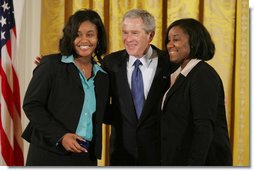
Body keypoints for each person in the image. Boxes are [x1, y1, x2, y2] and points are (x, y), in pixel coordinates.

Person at [22, 9, 109, 166]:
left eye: (90, 34)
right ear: (70, 37)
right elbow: (32, 105)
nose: (84, 40)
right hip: (48, 153)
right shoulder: (51, 65)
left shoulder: (102, 76)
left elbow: (104, 113)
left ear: (98, 38)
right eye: (77, 34)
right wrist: (61, 136)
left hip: (85, 157)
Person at [102, 9, 172, 166]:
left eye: (134, 33)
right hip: (122, 154)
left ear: (151, 35)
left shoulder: (169, 63)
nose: (128, 39)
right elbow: (101, 105)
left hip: (159, 154)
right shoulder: (110, 63)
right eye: (125, 32)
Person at [160, 18, 232, 166]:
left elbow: (204, 129)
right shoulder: (181, 75)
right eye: (168, 40)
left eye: (176, 39)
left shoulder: (203, 75)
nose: (169, 45)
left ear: (193, 42)